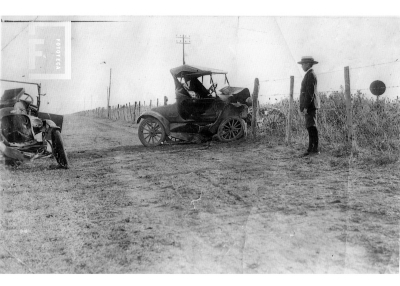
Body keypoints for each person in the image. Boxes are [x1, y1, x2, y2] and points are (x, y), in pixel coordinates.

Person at [298, 56, 320, 156]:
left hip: (310, 105)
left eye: (303, 64)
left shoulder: (311, 74)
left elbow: (309, 93)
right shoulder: (309, 74)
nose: (302, 66)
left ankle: (314, 149)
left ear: (307, 64)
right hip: (310, 105)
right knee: (310, 127)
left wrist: (305, 106)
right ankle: (311, 148)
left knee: (312, 127)